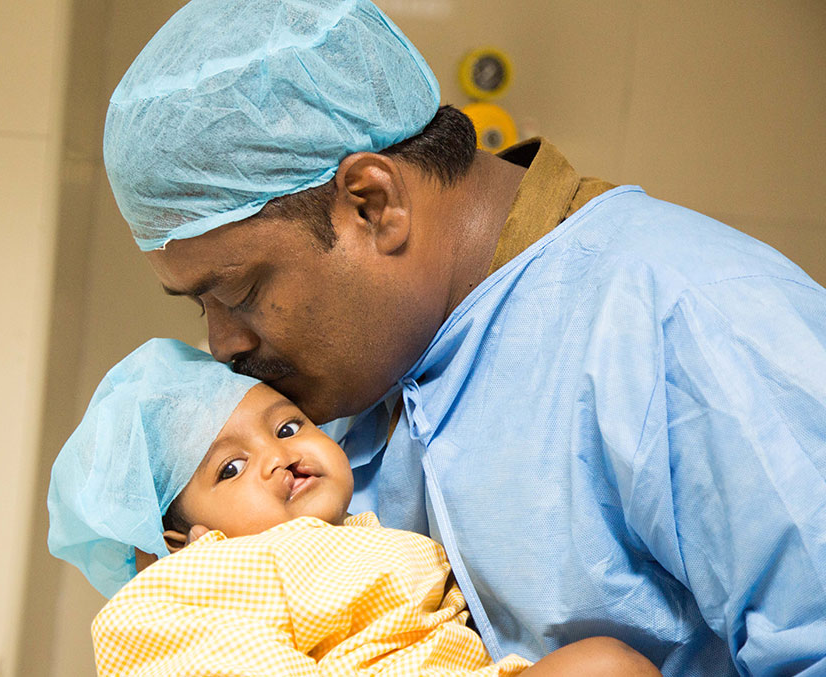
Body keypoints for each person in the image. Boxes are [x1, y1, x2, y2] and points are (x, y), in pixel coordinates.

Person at [101, 1, 826, 675]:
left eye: (239, 292)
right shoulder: (350, 388)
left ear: (372, 204)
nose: (224, 344)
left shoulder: (692, 318)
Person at [48, 338, 661, 677]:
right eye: (229, 469)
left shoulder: (368, 530)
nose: (276, 457)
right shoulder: (200, 578)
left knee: (606, 667)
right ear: (179, 542)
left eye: (288, 427)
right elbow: (180, 653)